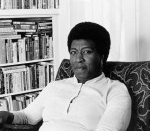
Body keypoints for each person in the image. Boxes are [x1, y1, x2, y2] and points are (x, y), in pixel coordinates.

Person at [0, 22, 131, 131]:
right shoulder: (55, 86)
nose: (78, 59)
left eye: (87, 52)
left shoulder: (115, 90)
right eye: (73, 52)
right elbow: (28, 116)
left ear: (102, 57)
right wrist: (7, 116)